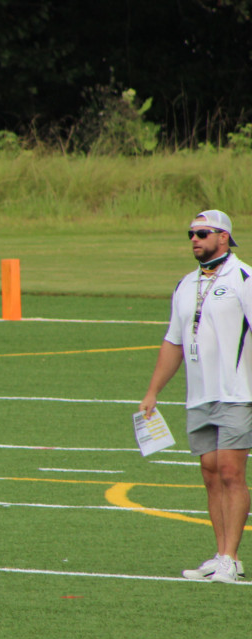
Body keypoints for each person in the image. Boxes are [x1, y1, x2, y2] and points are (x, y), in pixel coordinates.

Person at [141, 209, 252, 583]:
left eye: (202, 233)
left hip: (238, 392)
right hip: (199, 395)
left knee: (230, 471)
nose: (194, 239)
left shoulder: (243, 277)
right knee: (209, 473)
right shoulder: (186, 284)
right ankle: (222, 555)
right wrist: (153, 391)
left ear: (223, 237)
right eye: (190, 233)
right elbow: (173, 341)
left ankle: (231, 557)